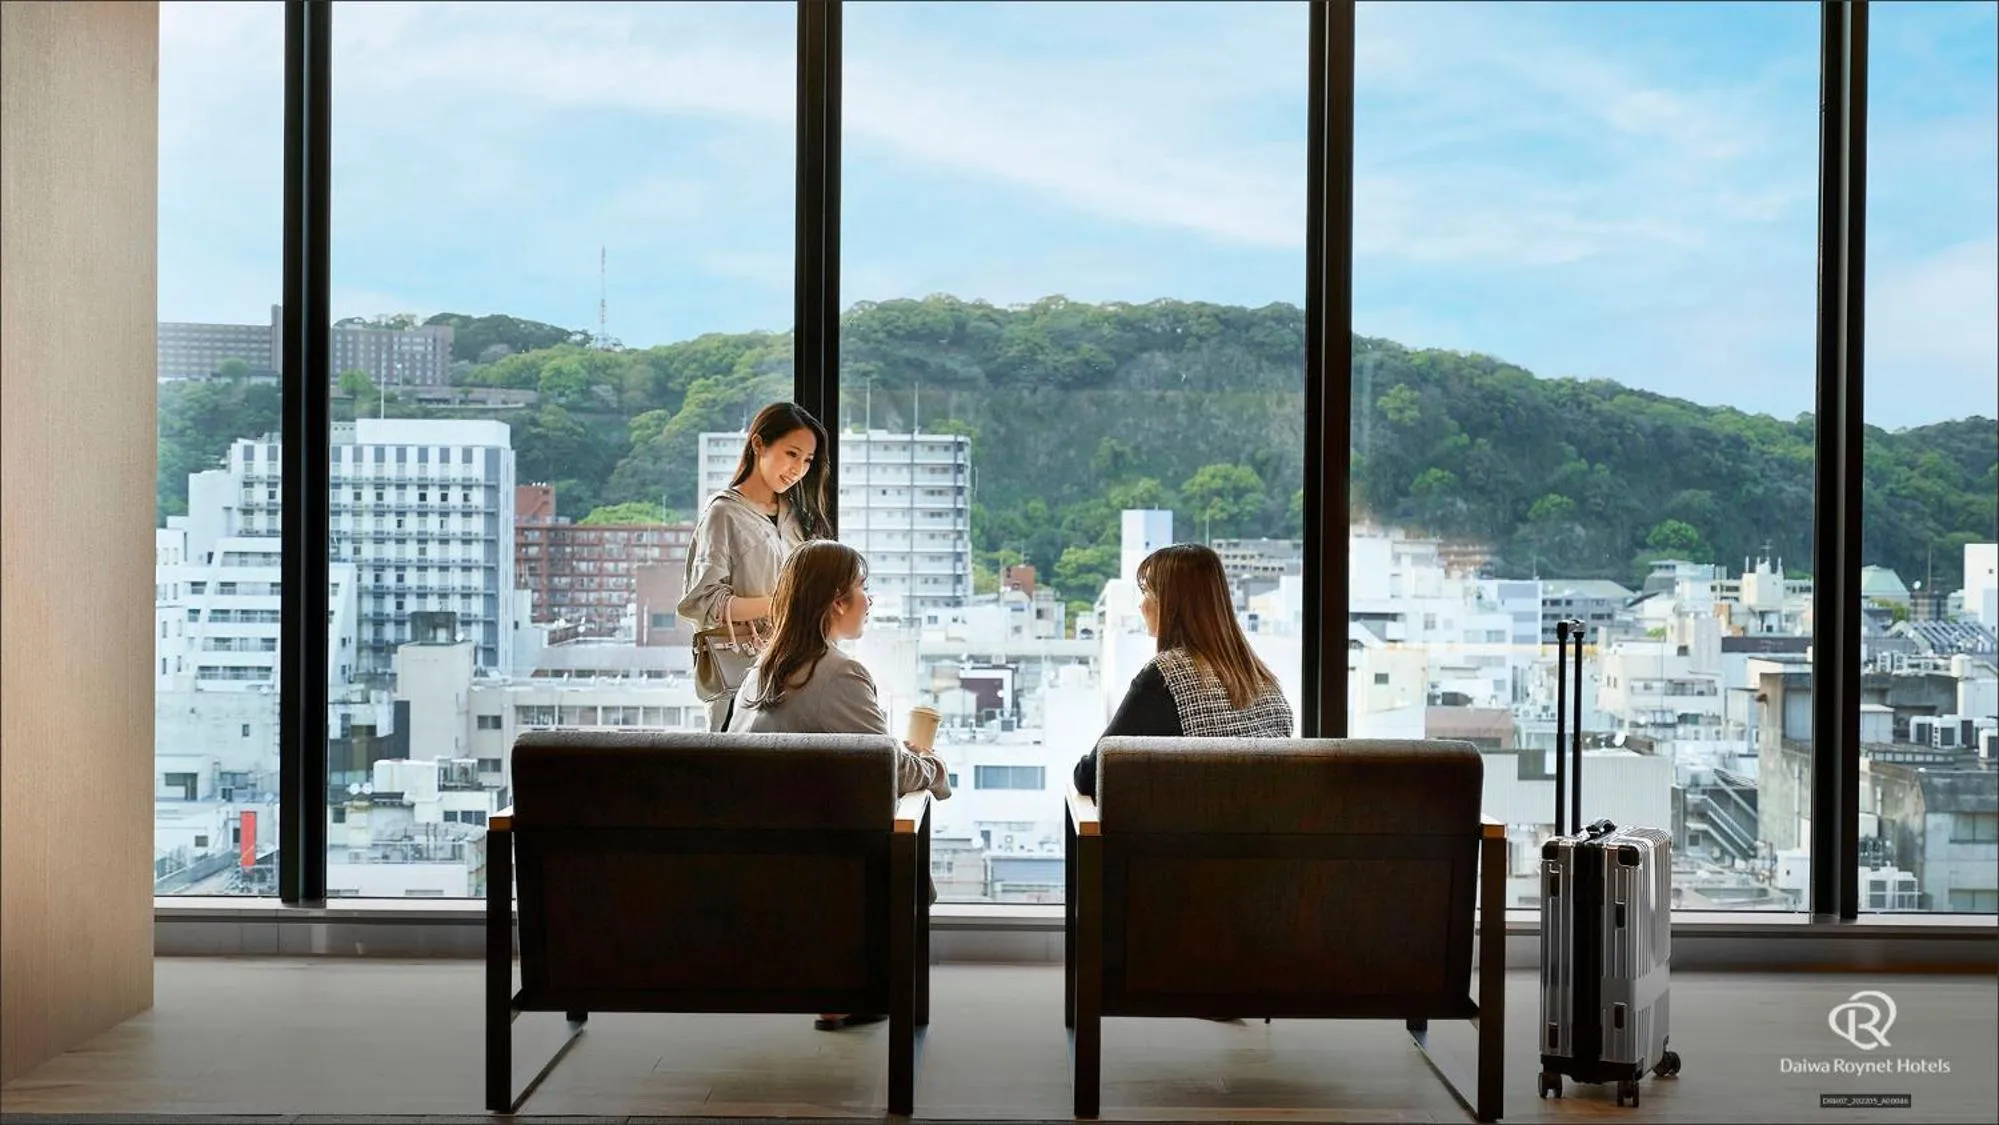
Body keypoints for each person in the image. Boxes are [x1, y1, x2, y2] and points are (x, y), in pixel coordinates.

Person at [727, 539, 951, 1031]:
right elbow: (885, 767)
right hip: (814, 859)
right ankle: (848, 990)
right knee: (902, 835)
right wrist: (933, 770)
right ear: (836, 602)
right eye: (862, 589)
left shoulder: (760, 672)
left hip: (750, 849)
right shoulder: (839, 673)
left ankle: (839, 984)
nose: (869, 600)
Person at [1071, 542, 1294, 799]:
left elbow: (1090, 775)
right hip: (1263, 837)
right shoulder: (1265, 682)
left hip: (1192, 836)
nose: (1141, 606)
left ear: (1171, 603)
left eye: (1147, 592)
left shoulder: (1166, 676)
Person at [680, 401, 832, 730]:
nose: (799, 469)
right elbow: (704, 603)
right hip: (740, 676)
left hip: (792, 673)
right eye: (791, 454)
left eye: (807, 460)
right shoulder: (724, 513)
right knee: (739, 772)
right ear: (759, 444)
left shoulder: (798, 517)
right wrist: (781, 605)